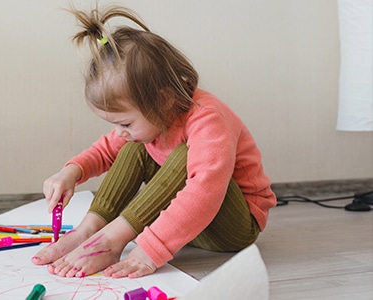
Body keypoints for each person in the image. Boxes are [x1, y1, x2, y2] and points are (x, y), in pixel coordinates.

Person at [31, 4, 276, 279]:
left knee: (181, 154)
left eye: (124, 123)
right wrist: (71, 171)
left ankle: (111, 239)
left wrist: (149, 249)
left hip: (234, 227)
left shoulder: (208, 118)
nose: (120, 132)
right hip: (188, 225)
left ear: (164, 99)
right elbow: (106, 149)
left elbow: (205, 193)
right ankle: (90, 229)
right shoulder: (152, 118)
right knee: (134, 144)